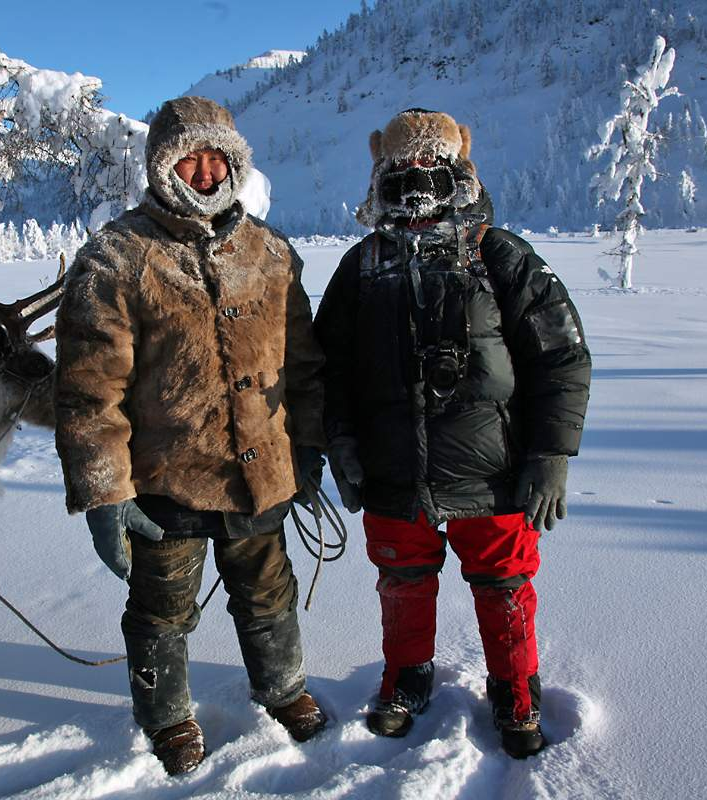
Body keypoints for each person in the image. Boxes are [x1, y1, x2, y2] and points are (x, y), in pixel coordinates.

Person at [53, 96, 328, 776]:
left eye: (218, 159)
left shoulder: (271, 253)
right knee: (161, 613)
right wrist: (103, 492)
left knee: (270, 594)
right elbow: (90, 393)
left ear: (235, 165)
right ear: (162, 165)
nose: (204, 172)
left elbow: (307, 365)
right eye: (189, 158)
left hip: (260, 471)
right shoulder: (116, 258)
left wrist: (313, 447)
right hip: (163, 481)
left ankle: (283, 688)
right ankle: (168, 717)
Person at [313, 108, 591, 758]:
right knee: (402, 582)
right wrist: (341, 446)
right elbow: (327, 371)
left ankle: (515, 689)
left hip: (492, 471)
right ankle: (407, 678)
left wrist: (552, 452)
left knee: (505, 588)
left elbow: (562, 355)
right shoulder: (361, 266)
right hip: (392, 472)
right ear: (381, 180)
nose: (416, 185)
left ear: (455, 175)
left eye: (430, 170)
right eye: (401, 172)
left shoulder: (500, 254)